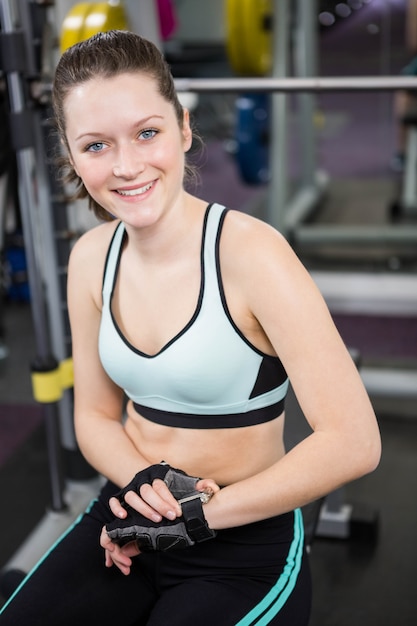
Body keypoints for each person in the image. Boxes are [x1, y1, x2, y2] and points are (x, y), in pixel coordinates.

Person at [0, 30, 381, 625]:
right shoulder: (91, 257)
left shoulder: (254, 255)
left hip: (241, 546)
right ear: (71, 155)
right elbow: (96, 417)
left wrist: (192, 518)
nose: (126, 167)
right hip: (132, 517)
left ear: (182, 128)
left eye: (146, 133)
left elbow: (354, 443)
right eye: (96, 145)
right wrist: (147, 496)